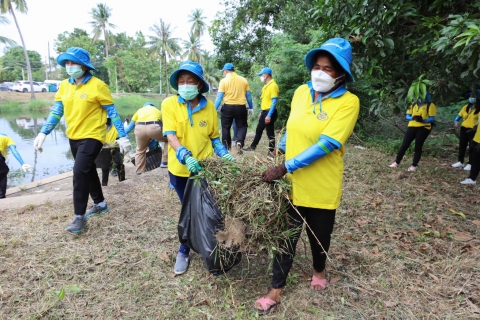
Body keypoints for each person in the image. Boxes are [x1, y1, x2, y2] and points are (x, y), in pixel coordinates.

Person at [254, 38, 360, 315]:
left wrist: (286, 166)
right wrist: (280, 150)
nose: (320, 72)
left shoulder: (348, 102)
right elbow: (293, 125)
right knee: (285, 236)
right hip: (291, 183)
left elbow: (328, 144)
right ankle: (276, 289)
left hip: (322, 184)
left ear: (341, 75)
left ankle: (319, 270)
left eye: (329, 68)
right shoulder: (302, 91)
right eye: (317, 66)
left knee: (319, 237)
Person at [33, 47, 132, 234]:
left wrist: (123, 135)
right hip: (73, 136)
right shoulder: (64, 85)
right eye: (67, 63)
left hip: (93, 136)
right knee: (87, 171)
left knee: (78, 172)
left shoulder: (98, 85)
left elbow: (112, 112)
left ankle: (79, 217)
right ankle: (100, 203)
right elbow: (57, 110)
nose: (70, 66)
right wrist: (43, 132)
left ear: (84, 66)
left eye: (74, 63)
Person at [162, 61, 235, 275]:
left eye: (190, 81)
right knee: (189, 210)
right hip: (181, 170)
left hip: (204, 170)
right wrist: (184, 154)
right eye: (181, 81)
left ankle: (210, 246)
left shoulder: (209, 107)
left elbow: (214, 137)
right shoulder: (169, 104)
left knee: (206, 209)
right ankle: (184, 249)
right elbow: (170, 135)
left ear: (199, 85)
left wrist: (224, 153)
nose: (185, 85)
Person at [389, 93, 436, 172]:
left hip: (423, 128)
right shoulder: (413, 104)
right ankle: (396, 162)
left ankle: (414, 165)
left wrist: (423, 120)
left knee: (418, 146)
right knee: (404, 145)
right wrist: (412, 118)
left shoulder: (430, 105)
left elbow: (432, 118)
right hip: (412, 126)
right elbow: (407, 116)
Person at [214, 63, 254, 153]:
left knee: (225, 127)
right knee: (242, 126)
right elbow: (248, 96)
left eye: (224, 71)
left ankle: (227, 147)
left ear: (226, 71)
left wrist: (214, 108)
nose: (223, 73)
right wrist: (251, 107)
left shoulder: (223, 81)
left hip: (228, 107)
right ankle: (239, 142)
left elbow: (219, 97)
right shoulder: (243, 80)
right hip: (241, 107)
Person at [125, 102, 168, 174]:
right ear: (152, 106)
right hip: (154, 127)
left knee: (140, 150)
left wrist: (123, 134)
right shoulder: (158, 110)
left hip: (140, 128)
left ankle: (139, 172)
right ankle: (164, 162)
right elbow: (166, 125)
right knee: (169, 140)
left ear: (144, 106)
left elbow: (130, 126)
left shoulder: (139, 110)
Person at [243, 67, 279, 155]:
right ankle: (252, 147)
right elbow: (266, 101)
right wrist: (261, 112)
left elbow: (274, 101)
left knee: (270, 133)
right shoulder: (266, 86)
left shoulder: (273, 86)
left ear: (266, 75)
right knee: (259, 130)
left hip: (270, 112)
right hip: (265, 112)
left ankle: (271, 152)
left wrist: (269, 115)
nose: (261, 76)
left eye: (262, 75)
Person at [451, 91, 479, 171]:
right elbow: (459, 116)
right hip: (464, 128)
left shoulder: (478, 108)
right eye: (470, 96)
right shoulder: (466, 107)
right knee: (462, 145)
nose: (471, 98)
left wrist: (476, 126)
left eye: (473, 96)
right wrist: (455, 121)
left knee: (472, 146)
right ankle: (460, 161)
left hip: (473, 130)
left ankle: (471, 163)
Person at [0, 133, 32, 199]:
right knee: (3, 172)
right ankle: (1, 196)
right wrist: (22, 163)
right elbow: (14, 151)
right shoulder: (8, 139)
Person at [100, 118, 125, 186]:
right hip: (104, 148)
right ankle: (104, 184)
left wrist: (118, 141)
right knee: (105, 167)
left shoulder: (116, 125)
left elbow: (122, 135)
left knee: (119, 164)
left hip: (115, 147)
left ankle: (122, 181)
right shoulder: (100, 127)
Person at [461, 116, 480, 185]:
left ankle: (472, 178)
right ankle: (472, 178)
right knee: (474, 159)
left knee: (476, 159)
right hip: (477, 138)